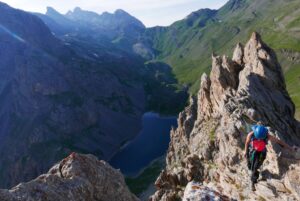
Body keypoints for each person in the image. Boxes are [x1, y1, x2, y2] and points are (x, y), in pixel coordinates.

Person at [243, 124, 296, 191]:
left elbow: (279, 142)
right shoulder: (251, 134)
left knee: (255, 167)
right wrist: (245, 151)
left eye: (261, 138)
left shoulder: (267, 136)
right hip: (252, 150)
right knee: (250, 165)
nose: (259, 139)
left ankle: (253, 182)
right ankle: (253, 172)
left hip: (261, 152)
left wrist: (290, 148)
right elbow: (247, 143)